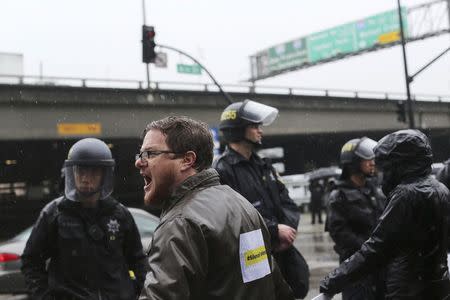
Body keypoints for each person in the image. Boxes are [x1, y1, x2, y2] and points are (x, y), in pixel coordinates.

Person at [135, 116, 294, 300]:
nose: (139, 162)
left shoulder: (180, 224)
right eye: (140, 155)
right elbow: (275, 286)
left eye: (150, 154)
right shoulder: (243, 206)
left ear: (187, 160)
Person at [320, 129, 450, 300]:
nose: (381, 172)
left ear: (398, 164)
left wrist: (333, 281)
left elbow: (377, 248)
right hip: (437, 284)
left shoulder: (405, 194)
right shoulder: (441, 188)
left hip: (408, 287)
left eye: (386, 166)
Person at [21, 138, 147, 300]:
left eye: (94, 172)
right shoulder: (54, 214)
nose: (86, 178)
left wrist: (139, 292)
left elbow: (138, 260)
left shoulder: (119, 214)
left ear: (104, 175)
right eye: (81, 171)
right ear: (72, 173)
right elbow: (31, 262)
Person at [213, 100, 309, 299]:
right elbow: (231, 219)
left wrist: (286, 231)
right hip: (252, 258)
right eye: (255, 126)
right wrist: (274, 231)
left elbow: (288, 203)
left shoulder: (264, 165)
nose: (260, 131)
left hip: (283, 252)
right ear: (238, 130)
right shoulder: (222, 170)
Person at [324, 137, 386, 300]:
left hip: (380, 266)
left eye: (373, 158)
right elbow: (339, 233)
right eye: (367, 159)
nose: (372, 162)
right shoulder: (338, 195)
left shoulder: (375, 190)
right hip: (356, 269)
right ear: (353, 162)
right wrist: (367, 249)